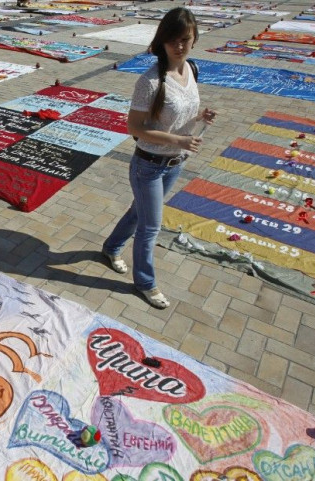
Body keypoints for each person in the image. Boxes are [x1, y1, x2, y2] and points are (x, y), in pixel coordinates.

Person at [101, 7, 216, 309]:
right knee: (150, 226)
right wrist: (179, 139)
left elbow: (177, 113)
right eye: (173, 40)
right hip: (148, 166)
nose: (179, 46)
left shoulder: (191, 69)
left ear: (194, 39)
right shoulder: (150, 81)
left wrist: (199, 116)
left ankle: (112, 247)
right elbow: (135, 128)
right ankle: (145, 282)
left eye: (185, 40)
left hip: (174, 164)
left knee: (139, 213)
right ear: (162, 41)